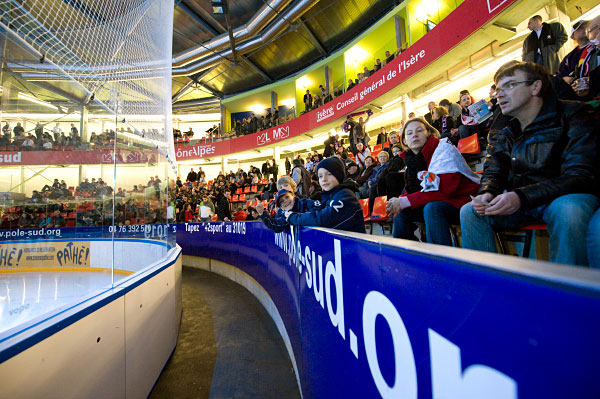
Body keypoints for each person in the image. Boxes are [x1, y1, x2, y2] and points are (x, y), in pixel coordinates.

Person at [460, 61, 599, 266]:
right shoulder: (504, 130)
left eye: (509, 85)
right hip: (523, 201)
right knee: (471, 210)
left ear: (535, 87)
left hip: (561, 197)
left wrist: (522, 197)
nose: (500, 94)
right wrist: (486, 193)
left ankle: (566, 290)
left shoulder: (574, 114)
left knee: (568, 208)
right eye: (498, 89)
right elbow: (494, 171)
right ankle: (488, 285)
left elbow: (580, 175)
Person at [387, 117, 480, 246]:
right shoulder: (411, 161)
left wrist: (403, 201)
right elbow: (413, 190)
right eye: (409, 133)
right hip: (436, 201)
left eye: (419, 130)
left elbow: (445, 190)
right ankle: (406, 257)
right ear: (404, 141)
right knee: (401, 213)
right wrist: (397, 202)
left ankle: (439, 259)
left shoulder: (443, 149)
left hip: (463, 200)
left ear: (428, 134)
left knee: (432, 208)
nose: (414, 135)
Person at [284, 157, 366, 233]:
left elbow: (323, 219)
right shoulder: (328, 196)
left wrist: (294, 218)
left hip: (355, 247)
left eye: (329, 174)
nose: (324, 179)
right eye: (320, 176)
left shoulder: (346, 195)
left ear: (339, 175)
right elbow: (314, 208)